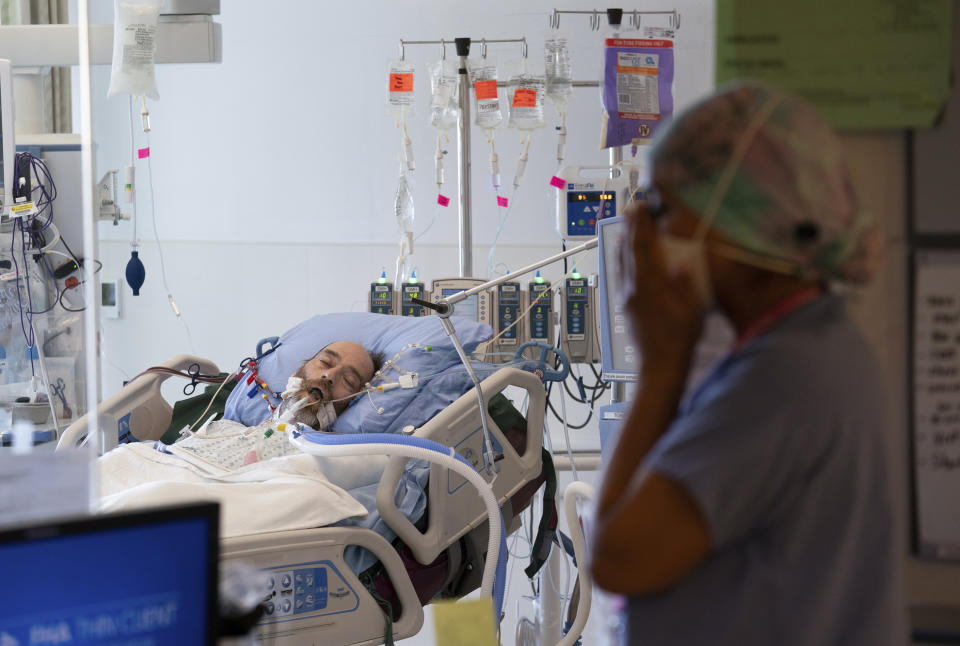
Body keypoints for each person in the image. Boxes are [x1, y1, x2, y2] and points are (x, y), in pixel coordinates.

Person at [590, 82, 905, 645]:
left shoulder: (788, 376)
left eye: (661, 208)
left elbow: (619, 557)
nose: (645, 232)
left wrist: (663, 361)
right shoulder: (804, 349)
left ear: (737, 218)